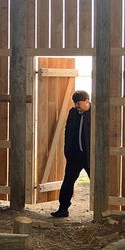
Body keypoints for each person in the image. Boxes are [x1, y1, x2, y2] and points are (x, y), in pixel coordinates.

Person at [51, 90, 91, 218]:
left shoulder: (95, 114)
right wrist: (67, 151)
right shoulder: (73, 113)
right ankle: (63, 209)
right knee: (68, 182)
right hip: (74, 155)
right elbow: (67, 131)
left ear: (87, 101)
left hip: (90, 156)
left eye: (79, 103)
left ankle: (101, 212)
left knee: (97, 184)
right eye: (75, 103)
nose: (76, 106)